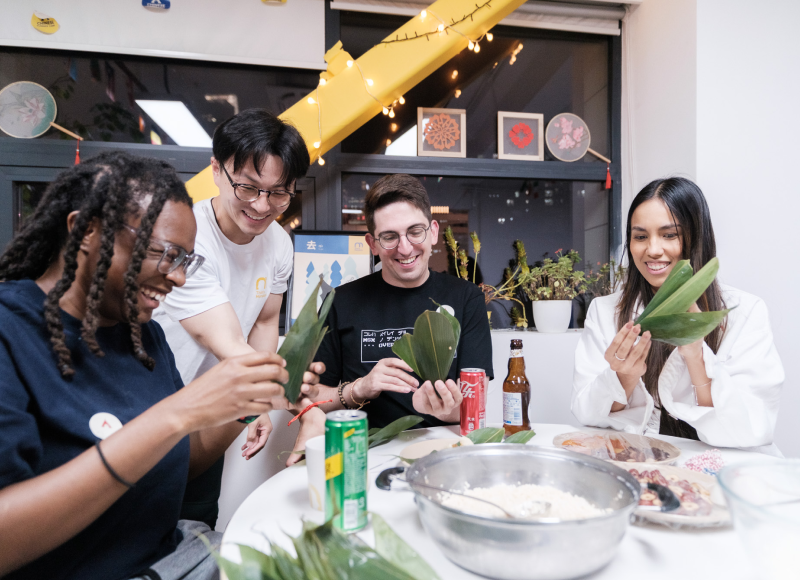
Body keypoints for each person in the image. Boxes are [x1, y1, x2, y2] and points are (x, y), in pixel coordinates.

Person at [0, 152, 315, 579]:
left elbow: (177, 465)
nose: (179, 278)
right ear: (87, 230)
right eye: (165, 253)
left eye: (186, 260)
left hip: (172, 557)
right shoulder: (10, 334)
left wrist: (246, 402)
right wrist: (176, 414)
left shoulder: (143, 337)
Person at [153, 109, 325, 528]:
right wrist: (294, 396)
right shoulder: (187, 238)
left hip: (217, 407)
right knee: (144, 528)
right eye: (248, 187)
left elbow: (265, 322)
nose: (262, 206)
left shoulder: (279, 243)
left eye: (279, 193)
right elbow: (227, 340)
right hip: (157, 403)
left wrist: (258, 407)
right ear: (216, 169)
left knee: (198, 525)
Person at [572, 177, 783, 450]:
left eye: (669, 234)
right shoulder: (606, 311)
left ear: (697, 237)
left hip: (720, 466)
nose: (653, 250)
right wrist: (624, 376)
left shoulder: (744, 312)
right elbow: (585, 414)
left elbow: (751, 429)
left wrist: (696, 354)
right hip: (643, 461)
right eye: (640, 236)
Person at [311, 174, 493, 428]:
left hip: (442, 450)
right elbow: (310, 401)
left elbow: (476, 402)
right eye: (389, 237)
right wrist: (361, 388)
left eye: (415, 232)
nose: (405, 249)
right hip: (365, 450)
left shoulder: (466, 298)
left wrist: (437, 408)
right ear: (372, 244)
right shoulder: (338, 302)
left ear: (433, 233)